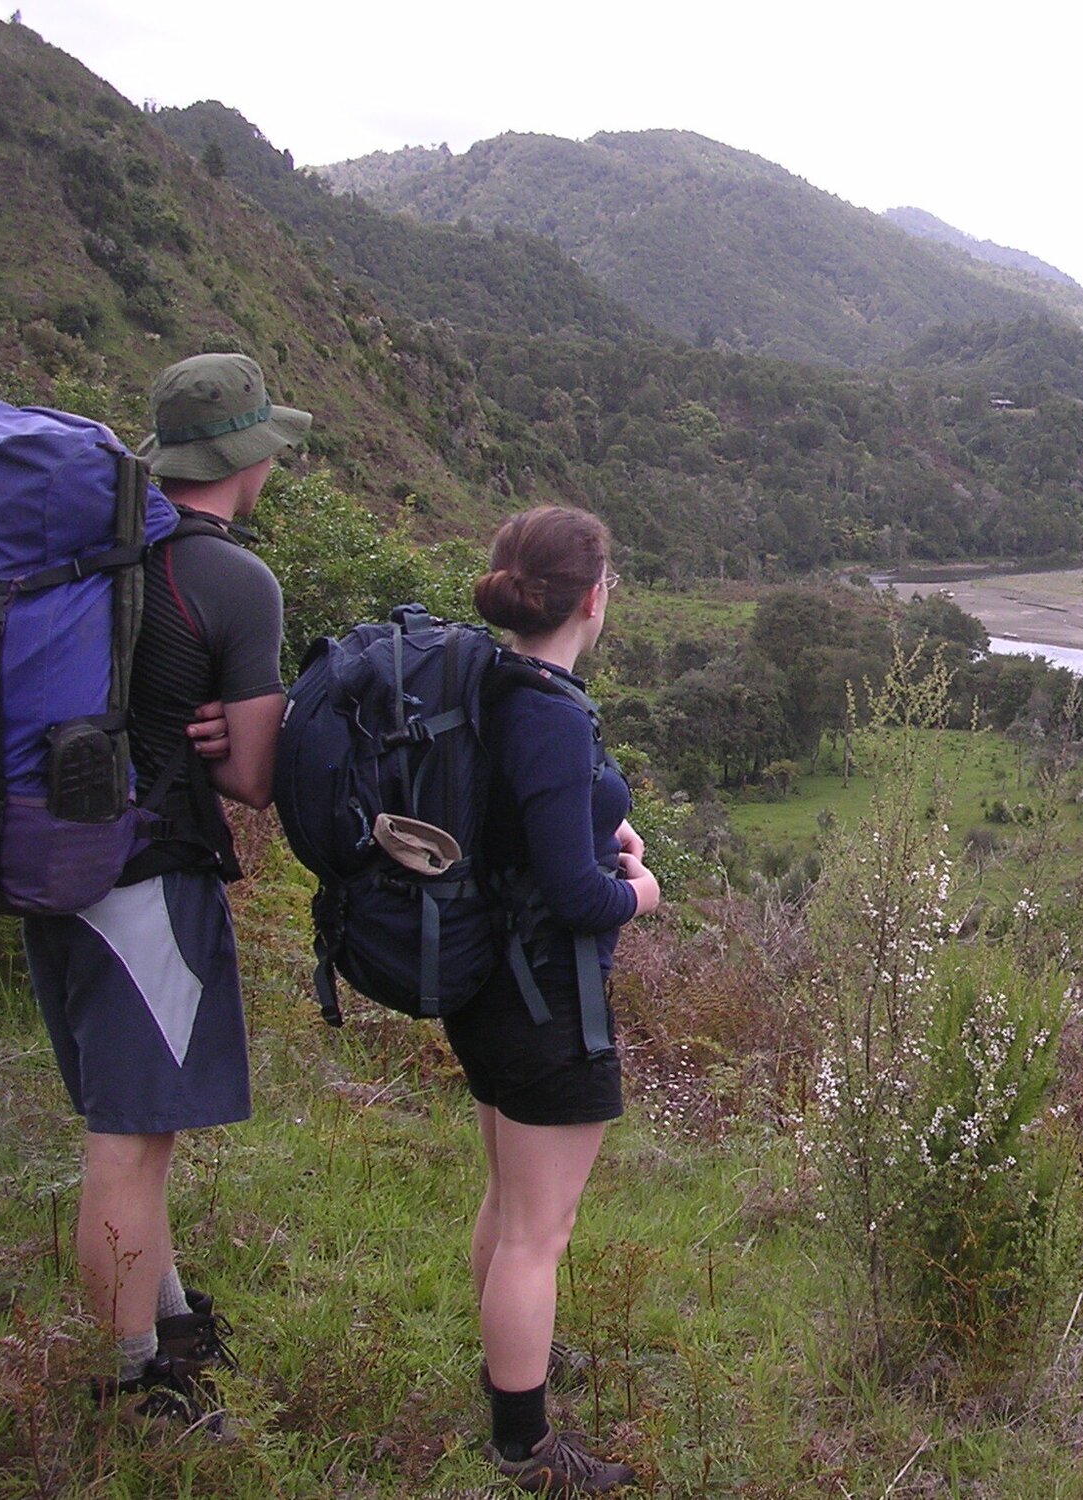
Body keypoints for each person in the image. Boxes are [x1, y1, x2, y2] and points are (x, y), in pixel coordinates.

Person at [22, 352, 306, 1429]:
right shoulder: (232, 579)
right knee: (129, 1138)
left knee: (138, 1121)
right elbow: (251, 777)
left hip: (55, 858)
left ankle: (170, 1316)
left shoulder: (91, 548)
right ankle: (135, 1382)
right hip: (144, 873)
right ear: (246, 458)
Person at [448, 505, 659, 1494]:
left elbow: (526, 840)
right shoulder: (552, 714)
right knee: (540, 1231)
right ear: (591, 596)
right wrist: (637, 891)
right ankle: (521, 1445)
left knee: (508, 1195)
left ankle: (511, 1370)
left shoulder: (488, 683)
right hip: (545, 998)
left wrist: (597, 842)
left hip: (486, 980)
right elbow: (576, 899)